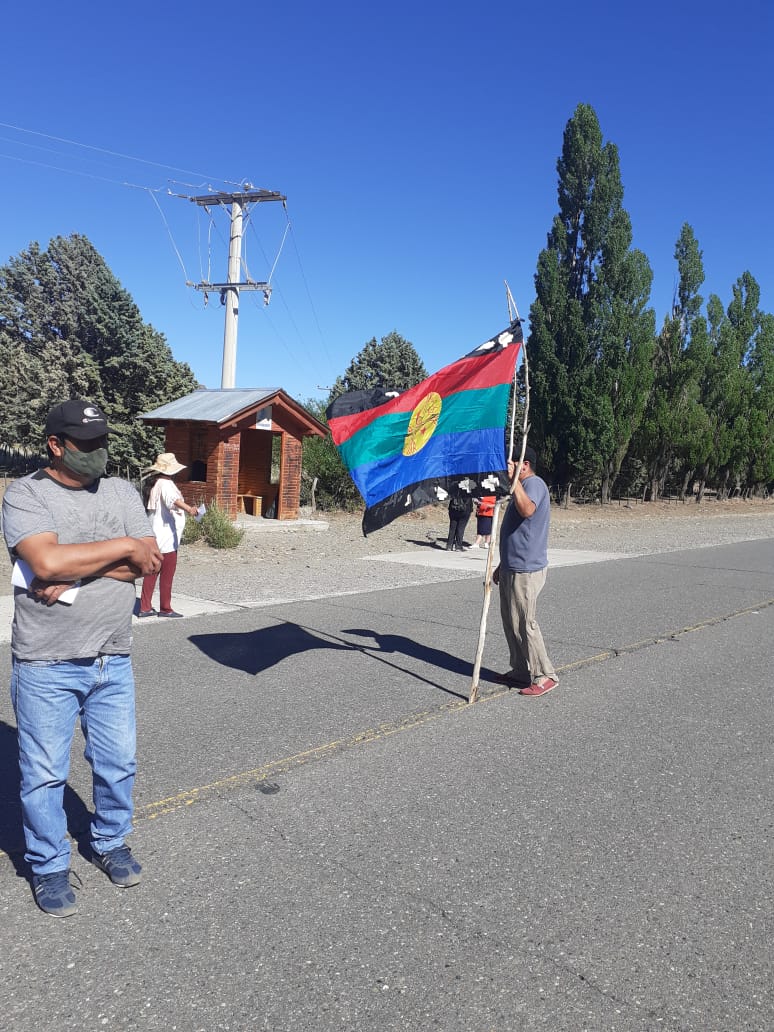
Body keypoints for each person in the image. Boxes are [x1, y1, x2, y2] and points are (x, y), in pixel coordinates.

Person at [1, 400, 162, 917]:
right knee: (44, 775)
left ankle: (110, 840)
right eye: (87, 444)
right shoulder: (25, 494)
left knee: (118, 765)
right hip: (46, 664)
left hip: (112, 659)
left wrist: (73, 570)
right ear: (56, 445)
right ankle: (48, 866)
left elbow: (149, 560)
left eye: (102, 442)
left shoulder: (119, 490)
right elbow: (45, 561)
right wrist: (116, 552)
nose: (99, 453)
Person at [492, 445, 558, 697]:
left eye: (513, 463)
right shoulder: (520, 487)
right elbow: (516, 531)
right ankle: (520, 669)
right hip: (511, 565)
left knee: (525, 623)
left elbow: (527, 510)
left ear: (525, 465)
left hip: (526, 569)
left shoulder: (534, 484)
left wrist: (514, 480)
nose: (507, 466)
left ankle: (545, 675)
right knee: (510, 621)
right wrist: (502, 564)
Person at [138, 453, 198, 619]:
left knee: (151, 573)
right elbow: (172, 500)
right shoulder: (166, 484)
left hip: (154, 535)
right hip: (167, 538)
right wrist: (189, 509)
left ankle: (145, 607)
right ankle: (165, 607)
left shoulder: (155, 483)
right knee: (167, 574)